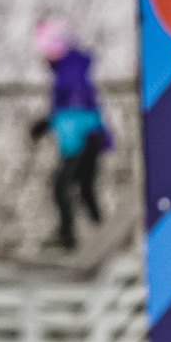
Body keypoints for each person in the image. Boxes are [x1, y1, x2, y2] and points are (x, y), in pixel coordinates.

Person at [29, 19, 109, 253]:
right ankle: (99, 235)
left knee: (61, 186)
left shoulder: (68, 69)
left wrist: (49, 123)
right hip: (84, 137)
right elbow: (71, 107)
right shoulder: (68, 69)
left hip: (80, 140)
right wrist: (47, 123)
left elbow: (74, 108)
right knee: (84, 187)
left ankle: (68, 237)